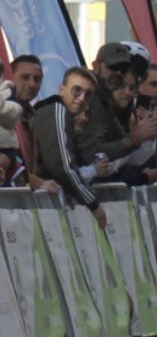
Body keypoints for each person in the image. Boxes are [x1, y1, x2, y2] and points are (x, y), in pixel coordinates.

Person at [32, 67, 108, 228]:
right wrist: (93, 204)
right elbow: (62, 166)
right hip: (36, 204)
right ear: (62, 89)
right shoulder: (57, 110)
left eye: (88, 94)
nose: (81, 98)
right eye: (77, 90)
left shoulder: (59, 113)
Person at [79, 42, 157, 164]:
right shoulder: (87, 98)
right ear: (96, 66)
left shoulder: (105, 103)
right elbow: (91, 156)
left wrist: (144, 136)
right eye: (113, 67)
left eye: (123, 69)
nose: (118, 74)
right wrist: (134, 138)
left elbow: (131, 157)